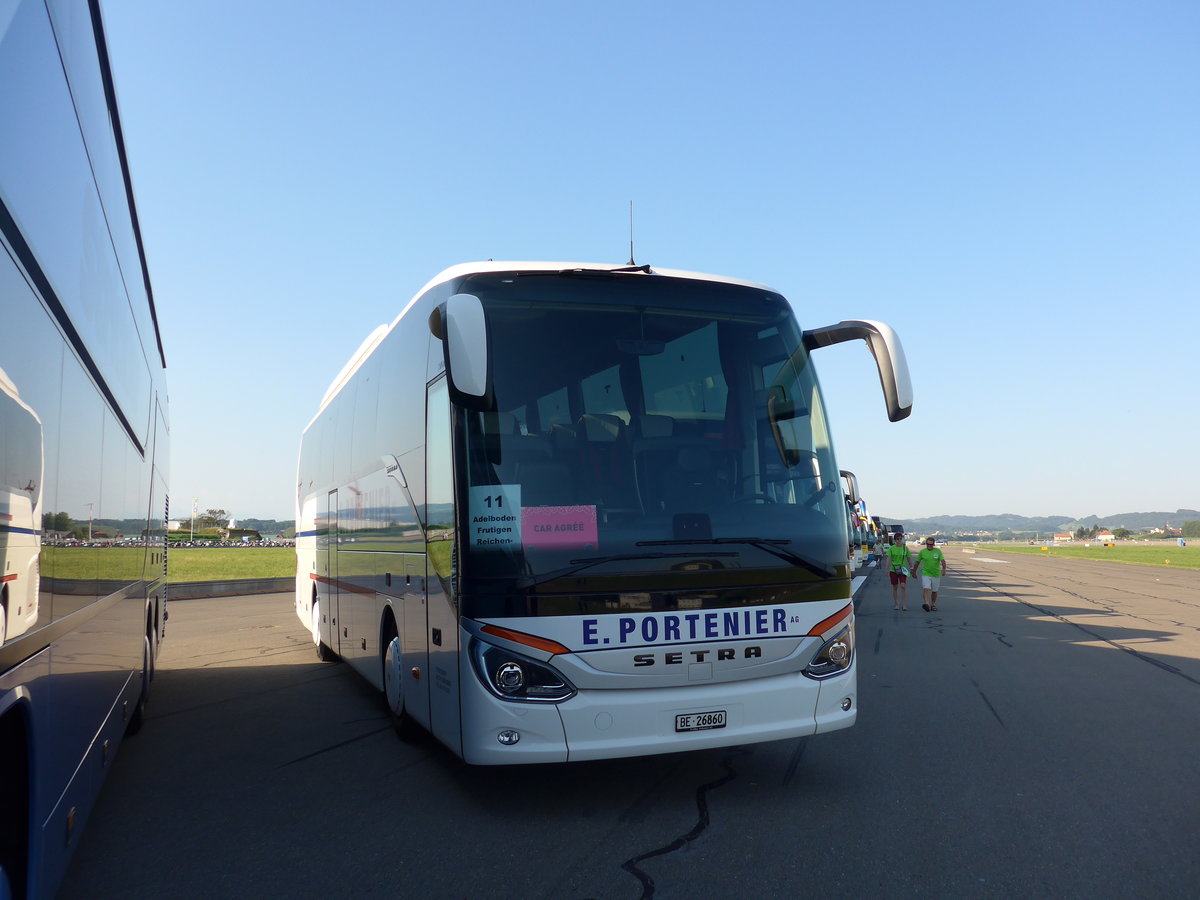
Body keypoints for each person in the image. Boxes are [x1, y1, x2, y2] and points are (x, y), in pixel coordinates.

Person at [912, 536, 948, 612]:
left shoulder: (938, 551)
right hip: (926, 573)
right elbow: (917, 562)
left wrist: (944, 569)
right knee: (926, 588)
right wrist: (914, 571)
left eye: (931, 544)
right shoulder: (922, 552)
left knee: (934, 591)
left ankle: (933, 604)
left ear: (933, 544)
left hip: (936, 574)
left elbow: (943, 561)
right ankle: (926, 604)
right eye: (927, 544)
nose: (929, 546)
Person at [884, 534, 911, 610]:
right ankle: (896, 603)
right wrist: (886, 569)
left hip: (902, 570)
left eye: (900, 538)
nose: (899, 540)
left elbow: (908, 558)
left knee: (903, 586)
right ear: (895, 540)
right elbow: (888, 559)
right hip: (893, 570)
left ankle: (904, 604)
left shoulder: (905, 548)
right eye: (898, 539)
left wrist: (912, 567)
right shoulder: (891, 548)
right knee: (895, 587)